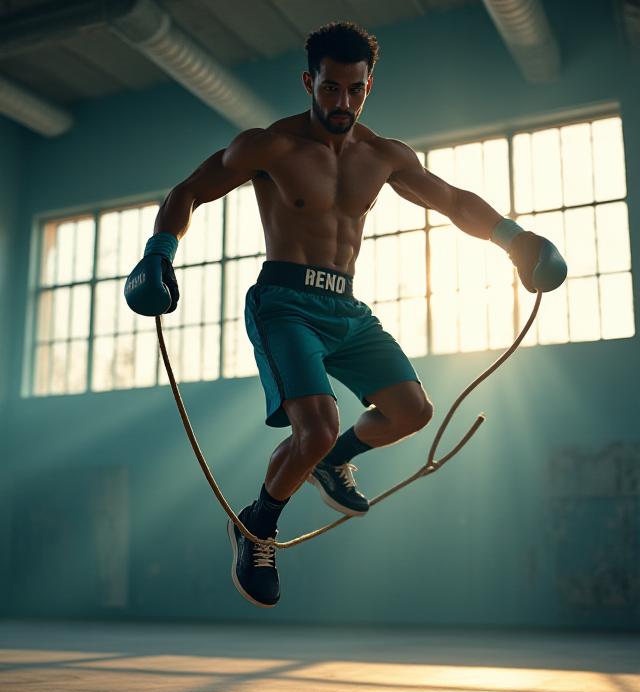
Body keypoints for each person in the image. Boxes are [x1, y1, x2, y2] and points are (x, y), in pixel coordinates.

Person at [125, 22, 567, 609]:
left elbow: (452, 200)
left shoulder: (383, 155)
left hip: (346, 305)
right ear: (309, 82)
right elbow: (188, 192)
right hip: (284, 302)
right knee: (317, 426)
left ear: (368, 87)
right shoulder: (270, 146)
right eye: (331, 88)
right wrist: (159, 253)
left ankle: (334, 462)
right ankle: (257, 526)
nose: (343, 102)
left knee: (412, 411)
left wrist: (515, 239)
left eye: (355, 90)